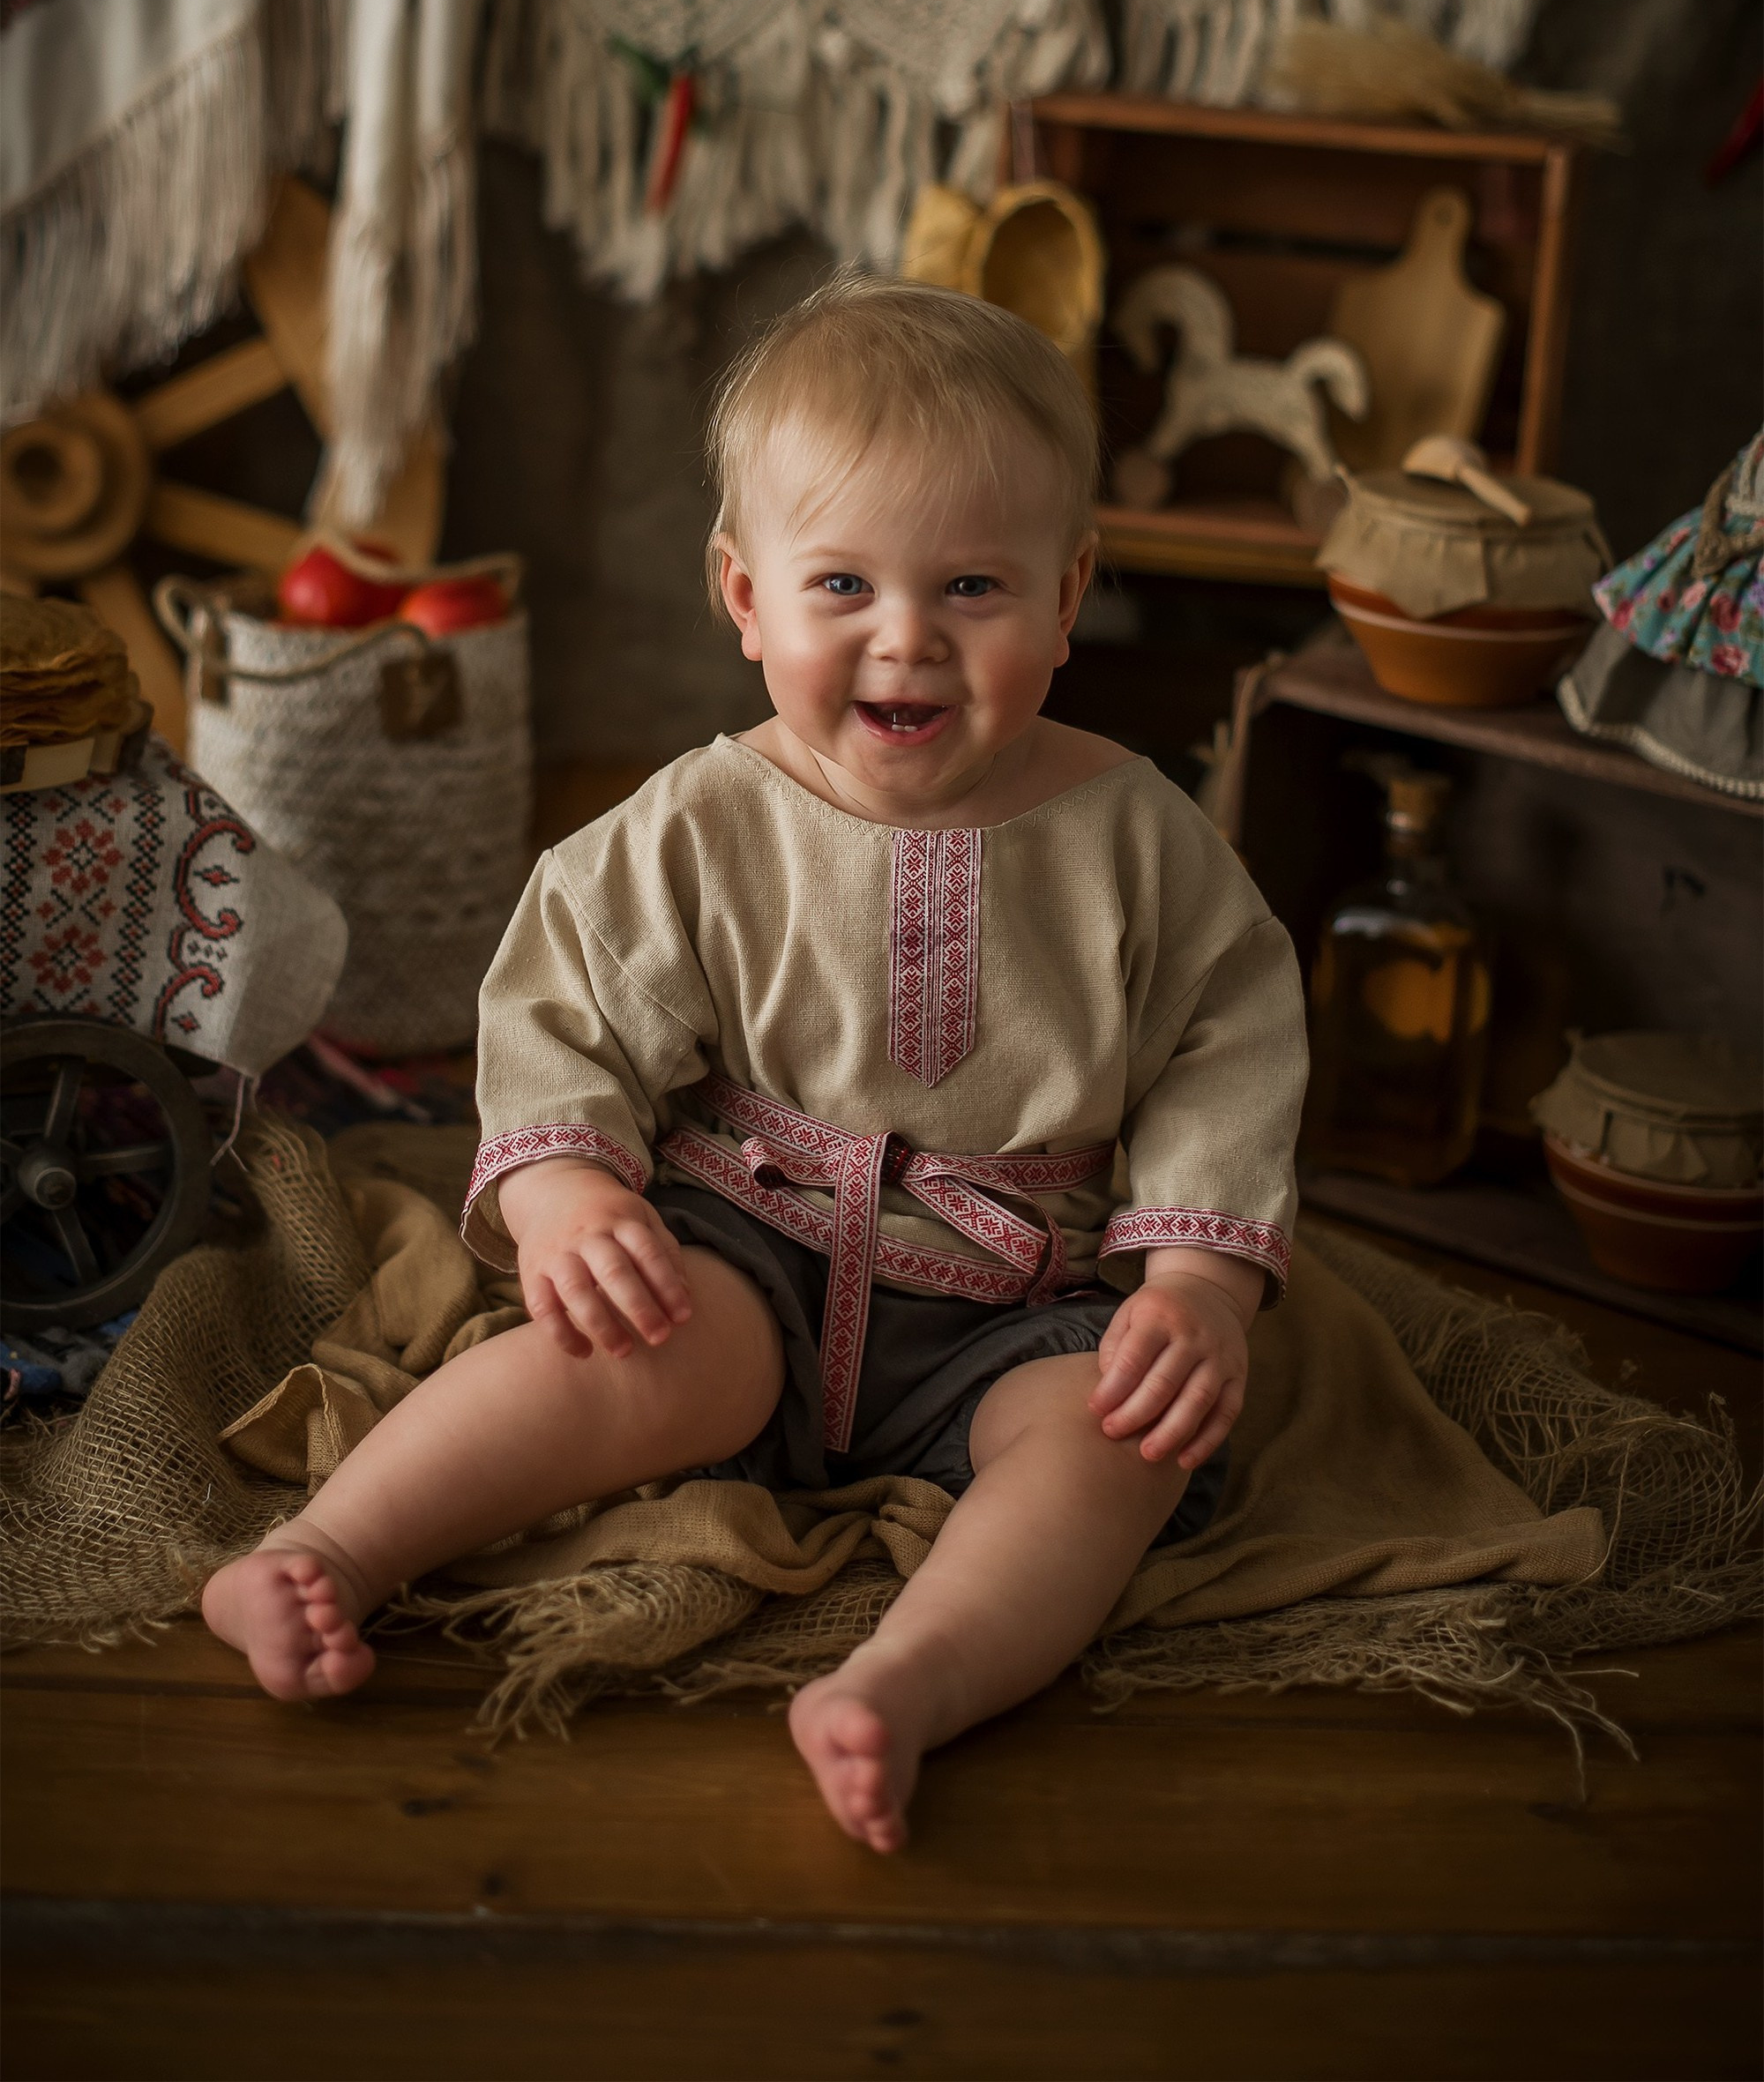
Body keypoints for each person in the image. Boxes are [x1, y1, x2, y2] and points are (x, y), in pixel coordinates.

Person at [204, 276, 1307, 1852]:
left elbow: (1231, 1038)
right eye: (843, 582)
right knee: (615, 1350)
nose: (907, 640)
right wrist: (574, 1192)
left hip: (1024, 1291)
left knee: (1111, 1446)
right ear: (746, 596)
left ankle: (907, 1681)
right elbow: (563, 1006)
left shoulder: (1136, 834)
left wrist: (1198, 1283)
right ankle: (328, 1550)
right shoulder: (704, 824)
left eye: (975, 587)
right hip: (751, 1245)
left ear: (1070, 598)